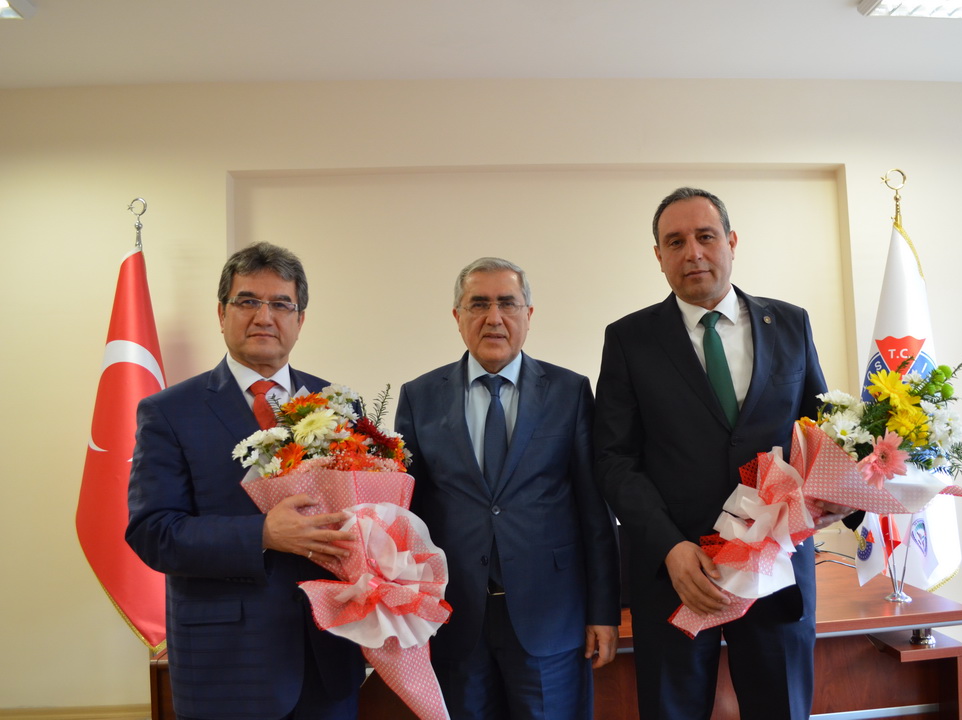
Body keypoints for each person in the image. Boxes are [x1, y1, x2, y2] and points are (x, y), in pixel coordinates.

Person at [593, 188, 849, 720]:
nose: (693, 253)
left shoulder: (791, 324)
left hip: (776, 566)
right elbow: (615, 460)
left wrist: (843, 497)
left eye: (706, 237)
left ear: (731, 242)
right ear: (658, 256)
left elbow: (820, 430)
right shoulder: (629, 339)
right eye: (675, 242)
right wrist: (670, 547)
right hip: (679, 576)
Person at [126, 242, 365, 720]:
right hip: (228, 665)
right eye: (248, 301)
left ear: (300, 319)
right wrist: (263, 534)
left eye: (281, 304)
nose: (264, 317)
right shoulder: (169, 411)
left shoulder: (339, 404)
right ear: (221, 313)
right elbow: (153, 532)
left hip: (328, 656)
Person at [395, 257, 621, 720]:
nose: (493, 318)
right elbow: (407, 515)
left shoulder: (569, 391)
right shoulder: (420, 396)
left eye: (507, 303)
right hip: (454, 618)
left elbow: (594, 512)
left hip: (551, 617)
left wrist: (604, 612)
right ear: (457, 316)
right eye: (478, 304)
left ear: (528, 314)